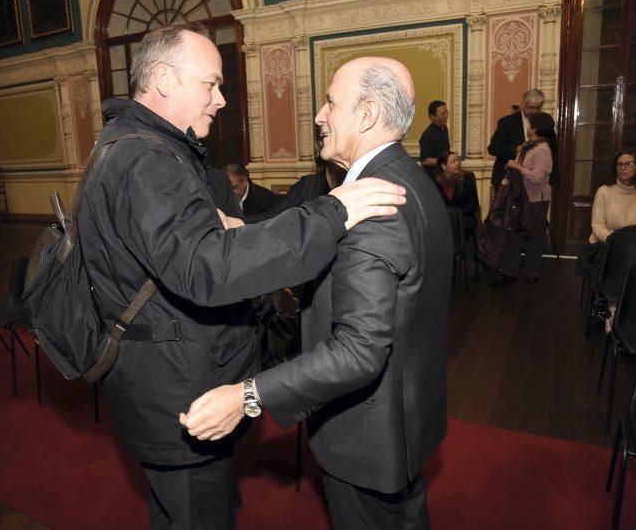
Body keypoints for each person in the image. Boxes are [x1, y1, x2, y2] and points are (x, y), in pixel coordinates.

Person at [77, 24, 406, 529]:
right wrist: (330, 213)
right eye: (210, 84)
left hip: (162, 380)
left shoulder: (131, 144)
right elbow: (207, 269)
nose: (221, 99)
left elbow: (189, 250)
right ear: (164, 80)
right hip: (176, 390)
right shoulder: (147, 159)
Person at [182, 56, 452, 529]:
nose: (320, 116)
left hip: (371, 436)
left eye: (330, 102)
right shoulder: (409, 180)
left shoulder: (374, 207)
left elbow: (358, 352)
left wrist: (246, 395)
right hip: (405, 418)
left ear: (366, 114)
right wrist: (244, 231)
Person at [575, 151, 636, 276]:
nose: (623, 168)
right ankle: (615, 292)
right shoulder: (604, 191)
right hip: (608, 243)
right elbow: (598, 226)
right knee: (622, 259)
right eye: (619, 164)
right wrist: (617, 241)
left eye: (628, 164)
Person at [493, 111, 556, 286]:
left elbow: (537, 178)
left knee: (533, 235)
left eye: (530, 125)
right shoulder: (529, 146)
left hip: (536, 199)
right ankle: (510, 271)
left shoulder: (542, 149)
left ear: (535, 129)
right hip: (522, 196)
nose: (527, 128)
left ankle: (532, 272)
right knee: (515, 233)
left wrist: (516, 167)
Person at [487, 89, 545, 196]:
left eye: (538, 108)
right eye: (531, 107)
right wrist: (517, 148)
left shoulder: (544, 124)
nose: (534, 112)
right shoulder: (507, 122)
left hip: (533, 183)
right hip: (508, 179)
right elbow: (493, 148)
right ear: (523, 104)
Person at [435, 150, 481, 274]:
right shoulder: (436, 182)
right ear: (444, 166)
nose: (458, 164)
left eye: (458, 161)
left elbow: (473, 205)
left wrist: (455, 215)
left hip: (464, 217)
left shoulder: (467, 179)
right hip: (444, 220)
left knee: (453, 227)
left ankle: (453, 262)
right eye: (453, 161)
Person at [418, 100, 450, 181]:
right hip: (433, 178)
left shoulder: (444, 129)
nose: (446, 115)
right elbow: (425, 161)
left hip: (443, 175)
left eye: (446, 112)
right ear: (433, 116)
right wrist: (444, 162)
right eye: (443, 114)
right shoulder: (428, 135)